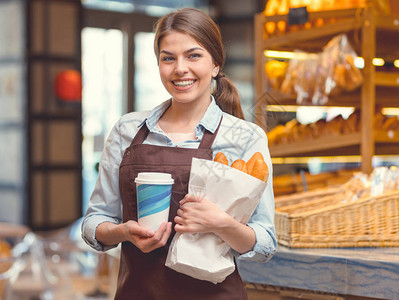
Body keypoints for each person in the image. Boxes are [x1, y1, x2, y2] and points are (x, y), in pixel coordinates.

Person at [81, 7, 276, 300]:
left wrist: (221, 223)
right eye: (168, 58)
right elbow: (93, 222)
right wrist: (123, 232)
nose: (179, 69)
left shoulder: (245, 138)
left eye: (193, 55)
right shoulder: (127, 129)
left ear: (215, 64)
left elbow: (265, 243)